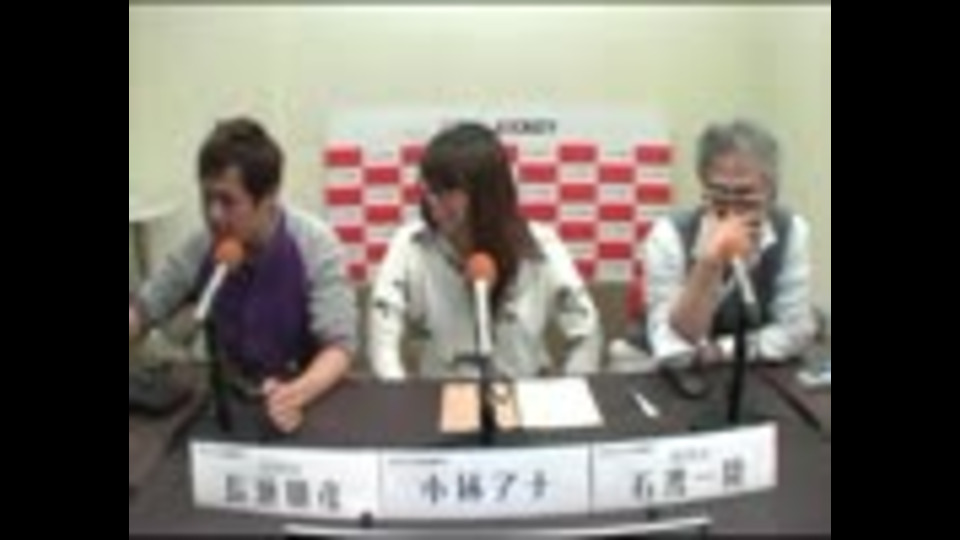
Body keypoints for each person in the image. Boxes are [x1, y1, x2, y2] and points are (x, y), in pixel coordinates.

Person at [128, 117, 358, 433]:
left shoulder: (316, 245)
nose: (213, 215)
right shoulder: (202, 245)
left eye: (227, 201)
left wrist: (296, 393)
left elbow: (339, 348)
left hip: (303, 395)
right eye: (207, 198)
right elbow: (144, 308)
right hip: (230, 398)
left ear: (269, 198)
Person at [368, 122, 602, 379]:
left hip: (526, 388)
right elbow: (383, 337)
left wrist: (570, 391)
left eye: (447, 190)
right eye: (430, 189)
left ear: (486, 194)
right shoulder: (410, 245)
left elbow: (586, 332)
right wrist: (397, 392)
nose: (433, 201)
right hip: (441, 393)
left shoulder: (540, 246)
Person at [636, 118, 816, 369]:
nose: (732, 206)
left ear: (770, 191)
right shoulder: (668, 235)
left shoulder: (792, 231)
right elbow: (674, 343)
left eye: (744, 193)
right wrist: (710, 261)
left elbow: (795, 331)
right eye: (719, 192)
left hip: (756, 370)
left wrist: (722, 350)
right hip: (674, 375)